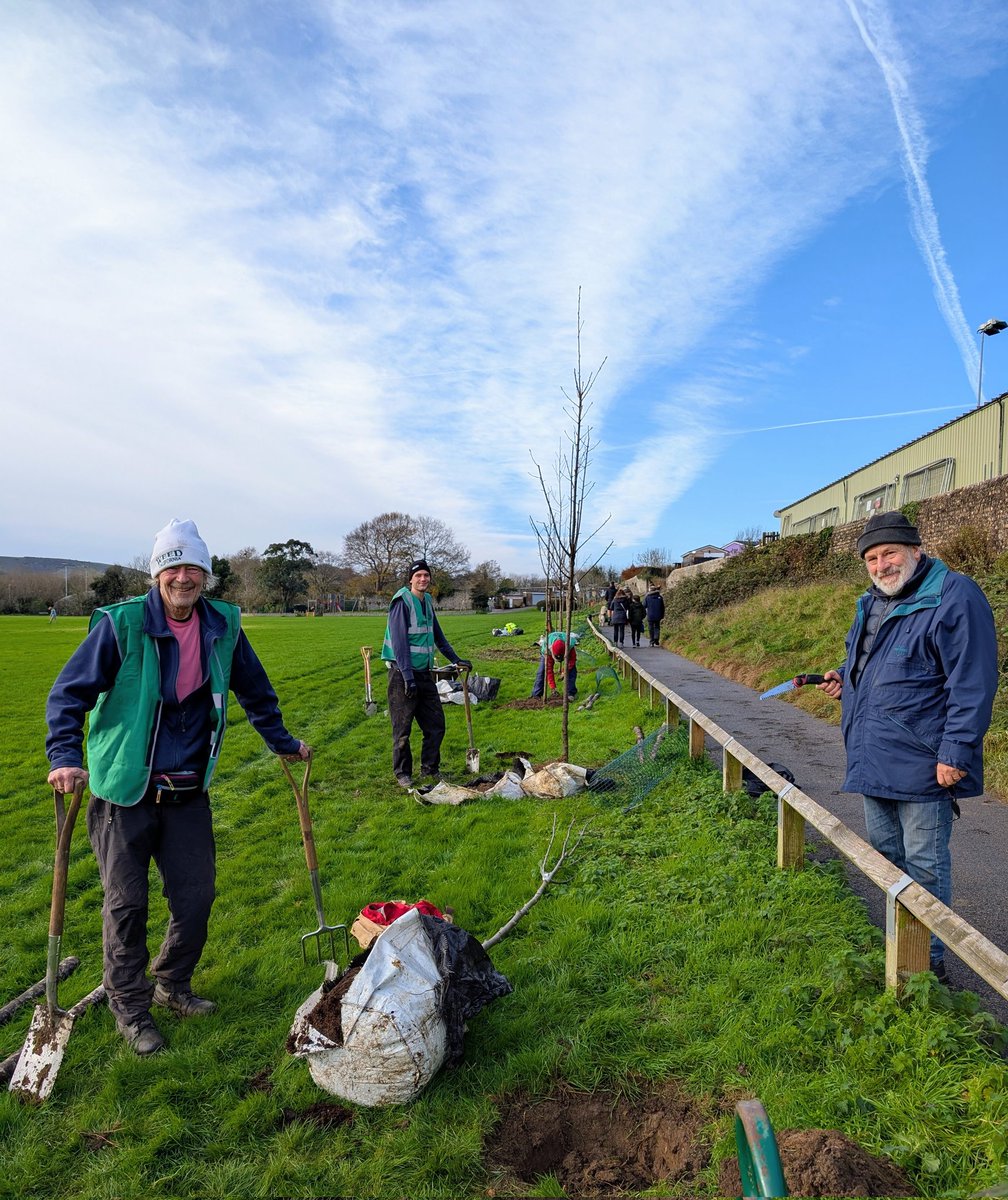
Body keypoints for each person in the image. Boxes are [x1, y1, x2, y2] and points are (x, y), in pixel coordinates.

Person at [46, 518, 309, 1056]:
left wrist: (281, 740)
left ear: (206, 575)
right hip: (123, 792)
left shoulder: (224, 626)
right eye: (172, 566)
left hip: (187, 790)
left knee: (195, 898)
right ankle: (131, 1008)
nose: (183, 577)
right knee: (126, 906)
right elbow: (67, 696)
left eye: (192, 566)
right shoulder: (120, 626)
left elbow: (255, 690)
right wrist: (66, 757)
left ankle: (172, 984)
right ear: (157, 573)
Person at [817, 511, 997, 982]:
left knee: (925, 867)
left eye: (889, 553)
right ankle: (901, 945)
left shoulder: (955, 596)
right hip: (872, 753)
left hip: (923, 760)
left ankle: (928, 966)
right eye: (872, 558)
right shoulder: (870, 603)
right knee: (886, 860)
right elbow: (870, 659)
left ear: (916, 550)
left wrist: (955, 752)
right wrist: (844, 676)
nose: (881, 565)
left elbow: (972, 682)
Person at [380, 558, 471, 789]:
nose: (423, 579)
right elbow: (400, 644)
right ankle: (402, 773)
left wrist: (455, 659)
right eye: (418, 575)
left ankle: (430, 769)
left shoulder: (427, 601)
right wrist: (408, 677)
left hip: (424, 674)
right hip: (402, 675)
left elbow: (437, 635)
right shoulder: (402, 602)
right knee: (402, 729)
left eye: (426, 575)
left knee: (436, 725)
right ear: (410, 579)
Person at [531, 631, 579, 698]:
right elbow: (549, 670)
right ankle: (536, 694)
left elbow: (572, 660)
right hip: (548, 650)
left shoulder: (570, 645)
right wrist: (553, 687)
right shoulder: (547, 649)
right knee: (542, 670)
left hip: (565, 645)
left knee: (572, 670)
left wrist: (565, 671)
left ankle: (570, 693)